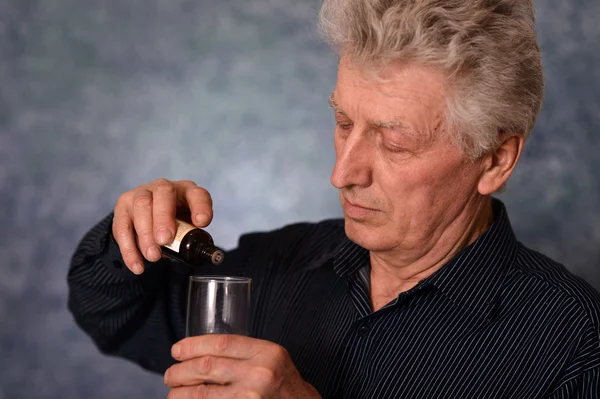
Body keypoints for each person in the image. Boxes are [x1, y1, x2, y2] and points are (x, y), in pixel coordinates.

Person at [67, 0, 600, 398]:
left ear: (496, 160)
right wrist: (137, 229)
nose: (342, 172)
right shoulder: (278, 262)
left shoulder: (575, 347)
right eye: (343, 122)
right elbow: (115, 316)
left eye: (395, 141)